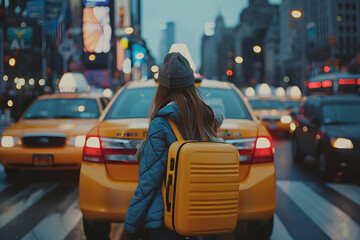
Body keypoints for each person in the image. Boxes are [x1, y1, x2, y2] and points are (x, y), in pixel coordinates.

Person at [124, 52, 224, 240]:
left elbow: (149, 181)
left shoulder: (161, 124)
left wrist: (131, 224)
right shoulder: (207, 121)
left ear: (162, 87)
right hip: (202, 214)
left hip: (166, 219)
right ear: (190, 85)